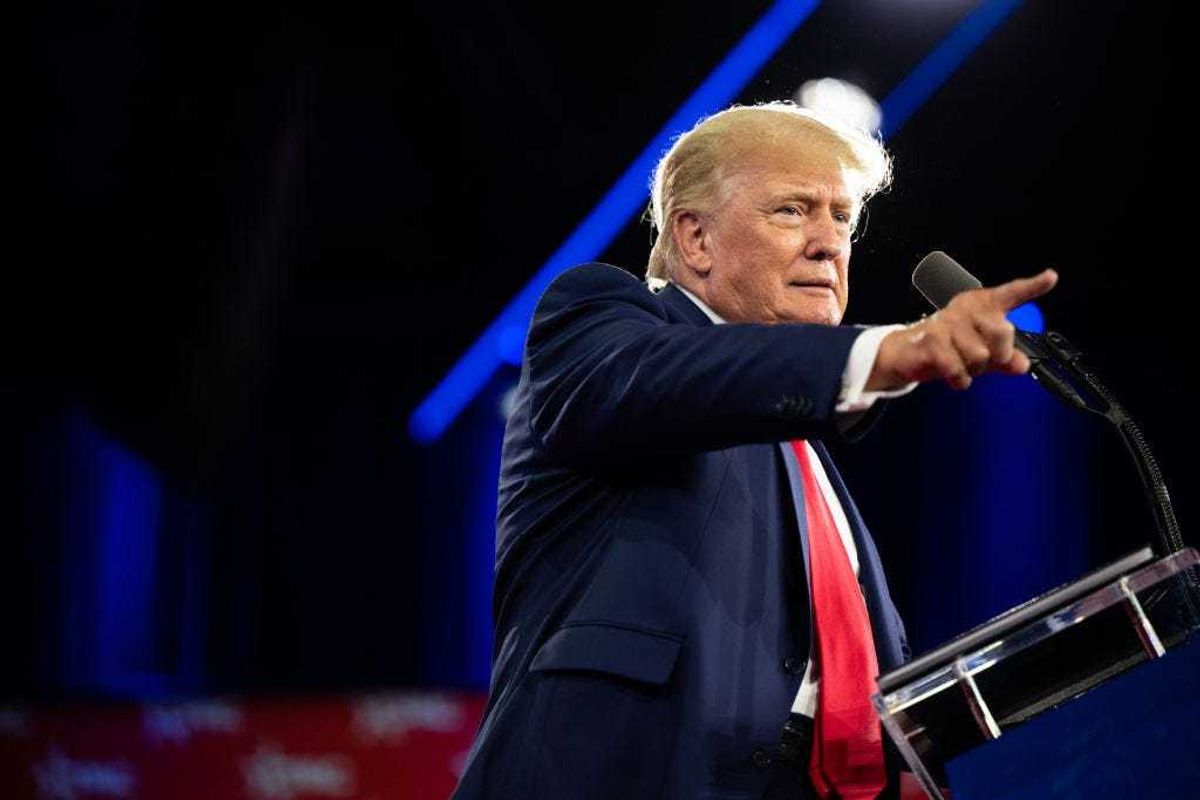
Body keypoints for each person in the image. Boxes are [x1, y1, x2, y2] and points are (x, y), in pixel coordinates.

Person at [451, 101, 1057, 800]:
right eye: (793, 211)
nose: (830, 243)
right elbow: (689, 378)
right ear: (696, 237)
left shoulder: (804, 454)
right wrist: (891, 349)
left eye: (842, 218)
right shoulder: (598, 320)